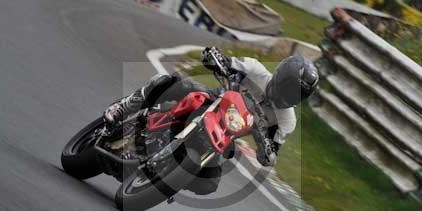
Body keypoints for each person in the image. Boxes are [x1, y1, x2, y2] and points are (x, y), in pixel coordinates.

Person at [103, 47, 319, 195]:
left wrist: (268, 152)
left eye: (297, 94)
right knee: (174, 83)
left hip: (225, 134)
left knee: (209, 185)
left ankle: (164, 180)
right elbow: (226, 62)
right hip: (213, 101)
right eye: (290, 87)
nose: (290, 95)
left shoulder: (287, 121)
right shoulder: (255, 69)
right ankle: (125, 107)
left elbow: (272, 151)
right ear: (281, 75)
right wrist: (216, 58)